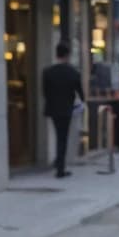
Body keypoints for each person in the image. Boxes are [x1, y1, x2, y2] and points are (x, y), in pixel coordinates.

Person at [41, 41, 84, 178]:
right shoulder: (73, 72)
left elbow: (45, 92)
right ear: (67, 55)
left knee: (58, 135)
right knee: (62, 137)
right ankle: (60, 168)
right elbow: (80, 93)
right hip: (66, 109)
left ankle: (58, 162)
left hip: (53, 108)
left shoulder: (47, 72)